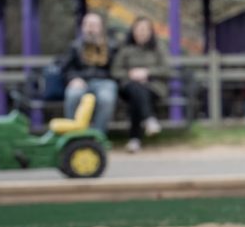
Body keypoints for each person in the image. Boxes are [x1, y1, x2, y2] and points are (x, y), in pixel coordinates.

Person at [112, 17, 170, 152]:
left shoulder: (158, 47)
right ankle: (149, 119)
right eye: (138, 29)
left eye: (145, 29)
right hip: (129, 86)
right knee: (136, 89)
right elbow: (115, 70)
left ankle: (134, 139)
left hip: (153, 87)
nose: (141, 32)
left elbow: (166, 70)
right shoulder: (125, 49)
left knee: (138, 96)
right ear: (133, 31)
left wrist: (147, 73)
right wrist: (131, 74)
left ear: (150, 32)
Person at [57, 12, 118, 134]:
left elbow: (116, 69)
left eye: (94, 25)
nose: (90, 28)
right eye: (87, 24)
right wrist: (73, 79)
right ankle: (73, 135)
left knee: (106, 98)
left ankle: (97, 136)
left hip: (104, 82)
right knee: (73, 95)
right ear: (83, 27)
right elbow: (65, 68)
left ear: (100, 27)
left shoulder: (111, 46)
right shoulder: (75, 46)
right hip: (80, 81)